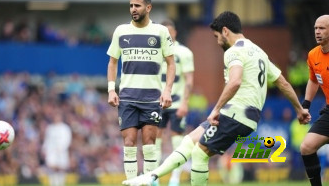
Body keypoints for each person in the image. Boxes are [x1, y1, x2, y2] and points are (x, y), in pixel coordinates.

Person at [122, 11, 311, 186]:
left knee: (199, 153)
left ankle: (153, 177)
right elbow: (283, 83)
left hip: (236, 113)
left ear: (225, 31)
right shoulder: (259, 52)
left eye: (216, 36)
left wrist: (216, 109)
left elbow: (235, 81)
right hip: (243, 115)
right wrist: (299, 109)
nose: (217, 41)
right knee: (189, 140)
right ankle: (152, 176)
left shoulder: (234, 51)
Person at [107, 0, 176, 181]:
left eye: (137, 5)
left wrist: (167, 90)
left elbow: (171, 63)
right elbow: (112, 62)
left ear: (148, 7)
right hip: (127, 97)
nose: (133, 9)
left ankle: (148, 183)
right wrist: (111, 89)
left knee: (149, 144)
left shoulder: (160, 32)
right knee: (129, 143)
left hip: (151, 98)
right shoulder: (121, 31)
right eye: (131, 5)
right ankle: (131, 183)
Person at [155, 19, 194, 186]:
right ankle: (153, 178)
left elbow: (189, 80)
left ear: (175, 33)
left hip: (177, 103)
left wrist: (185, 103)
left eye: (170, 32)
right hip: (157, 103)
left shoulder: (184, 52)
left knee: (177, 141)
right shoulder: (155, 52)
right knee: (153, 139)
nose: (168, 36)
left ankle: (175, 179)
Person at [300, 14, 329, 186]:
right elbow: (313, 80)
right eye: (316, 28)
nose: (317, 32)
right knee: (306, 147)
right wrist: (306, 105)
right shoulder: (313, 55)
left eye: (322, 28)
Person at [42, 113, 72, 186]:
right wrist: (44, 149)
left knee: (61, 168)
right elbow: (47, 140)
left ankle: (61, 183)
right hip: (51, 151)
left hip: (61, 151)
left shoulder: (65, 128)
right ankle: (53, 183)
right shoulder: (50, 128)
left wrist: (62, 148)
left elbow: (67, 140)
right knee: (52, 168)